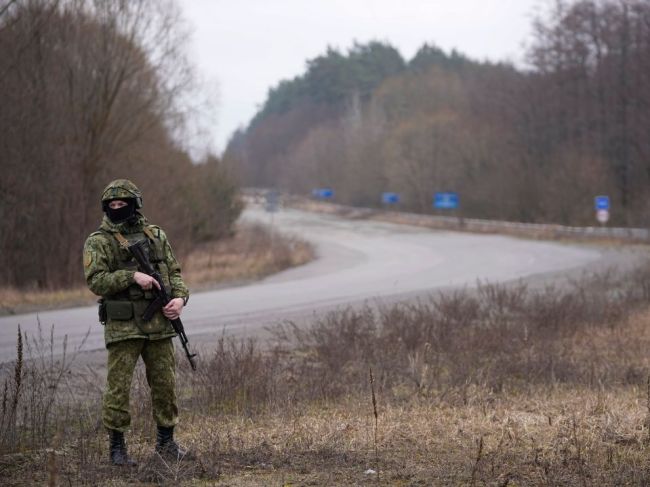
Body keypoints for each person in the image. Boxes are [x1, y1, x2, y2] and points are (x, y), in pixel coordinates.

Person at [83, 179, 190, 466]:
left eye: (123, 204)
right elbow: (96, 280)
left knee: (165, 384)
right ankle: (117, 449)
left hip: (159, 324)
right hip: (123, 325)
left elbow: (174, 272)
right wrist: (131, 277)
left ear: (135, 206)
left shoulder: (156, 235)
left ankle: (166, 443)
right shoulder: (99, 241)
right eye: (112, 205)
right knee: (118, 388)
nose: (117, 209)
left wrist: (180, 299)